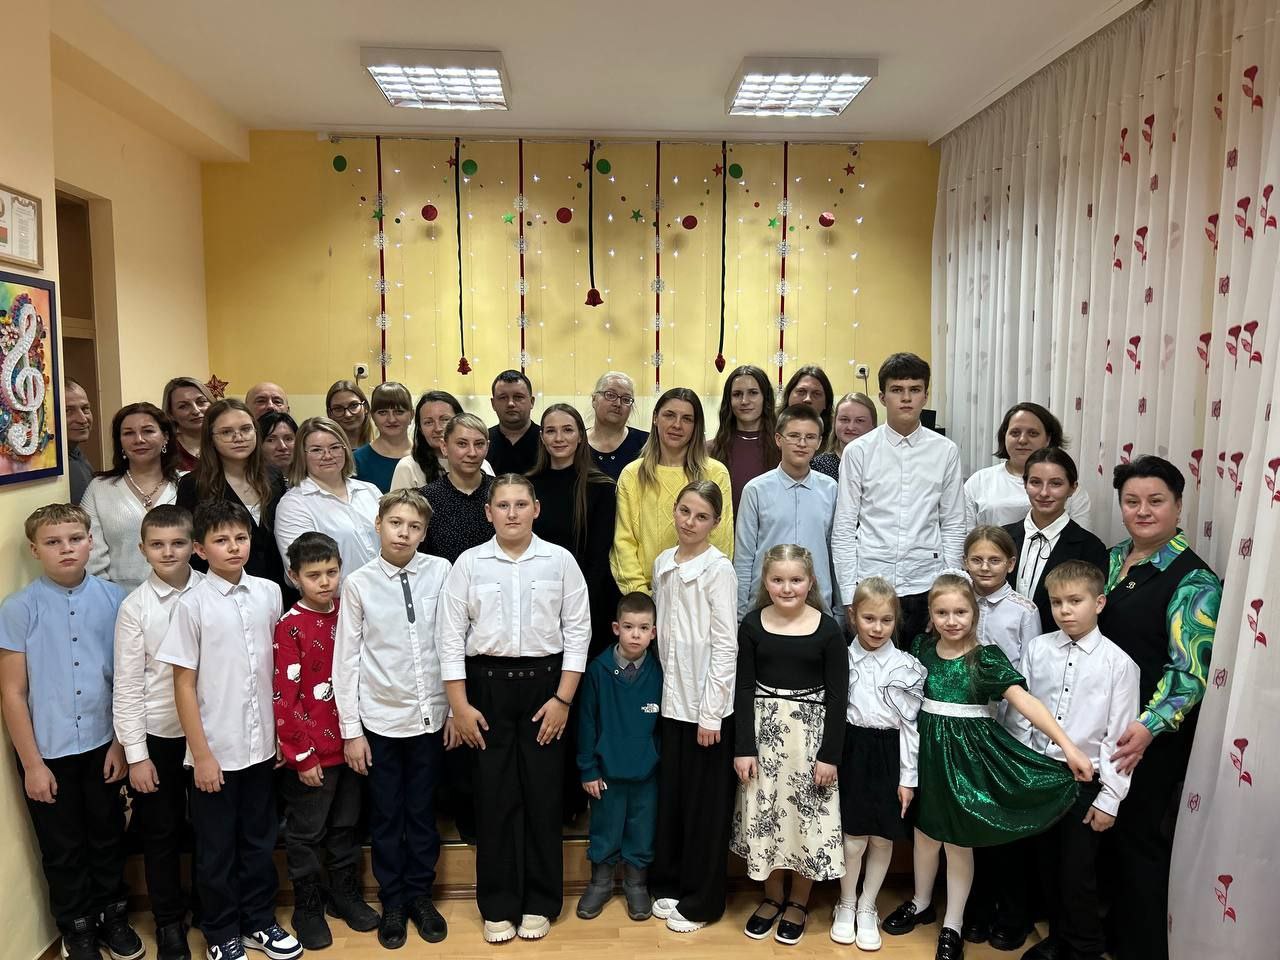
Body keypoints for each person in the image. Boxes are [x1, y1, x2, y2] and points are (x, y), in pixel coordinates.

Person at [881, 572, 1093, 960]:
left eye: (960, 612)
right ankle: (921, 902)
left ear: (974, 614)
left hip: (965, 763)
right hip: (925, 758)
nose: (951, 620)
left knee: (957, 842)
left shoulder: (985, 658)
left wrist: (1068, 747)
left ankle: (953, 924)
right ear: (931, 615)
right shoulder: (922, 648)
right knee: (925, 835)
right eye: (942, 612)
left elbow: (1026, 702)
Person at [439, 474, 591, 944]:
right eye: (502, 505)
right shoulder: (468, 564)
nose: (511, 513)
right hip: (486, 691)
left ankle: (541, 902)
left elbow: (578, 633)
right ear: (488, 513)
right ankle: (499, 904)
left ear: (536, 509)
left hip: (547, 690)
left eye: (520, 504)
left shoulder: (560, 561)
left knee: (544, 797)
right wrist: (459, 706)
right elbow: (448, 638)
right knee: (494, 798)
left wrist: (563, 700)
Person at [158, 499, 302, 960]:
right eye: (221, 540)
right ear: (200, 550)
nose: (234, 547)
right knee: (216, 848)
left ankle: (259, 921)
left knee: (259, 840)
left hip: (261, 746)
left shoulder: (269, 593)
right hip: (215, 751)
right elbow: (183, 685)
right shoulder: (191, 604)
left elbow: (279, 669)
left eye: (240, 538)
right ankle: (221, 931)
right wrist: (201, 754)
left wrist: (281, 736)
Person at [0, 504, 141, 960]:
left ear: (90, 542)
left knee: (107, 836)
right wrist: (32, 765)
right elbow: (12, 693)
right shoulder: (18, 609)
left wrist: (120, 743)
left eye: (75, 539)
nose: (66, 549)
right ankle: (77, 927)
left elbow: (126, 680)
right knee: (62, 847)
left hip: (104, 745)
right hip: (48, 752)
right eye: (53, 542)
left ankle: (113, 916)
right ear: (34, 550)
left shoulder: (115, 600)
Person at [1097, 456, 1221, 960]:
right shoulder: (1112, 559)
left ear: (1178, 505)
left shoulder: (1194, 580)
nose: (1142, 510)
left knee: (1139, 842)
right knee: (1104, 839)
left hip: (1151, 735)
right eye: (1132, 501)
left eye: (1155, 501)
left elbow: (1189, 672)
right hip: (1103, 726)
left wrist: (1148, 727)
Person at [334, 490, 454, 949]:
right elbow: (346, 660)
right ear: (378, 524)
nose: (404, 533)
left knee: (422, 813)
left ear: (424, 533)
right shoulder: (359, 584)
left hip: (430, 718)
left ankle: (420, 895)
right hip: (380, 720)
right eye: (396, 523)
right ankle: (394, 901)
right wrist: (351, 731)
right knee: (386, 815)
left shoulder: (441, 572)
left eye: (414, 527)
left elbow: (452, 642)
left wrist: (453, 708)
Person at [1002, 561, 1140, 960]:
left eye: (1075, 601)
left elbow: (1118, 739)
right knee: (1046, 864)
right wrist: (1022, 772)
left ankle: (1085, 948)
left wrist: (1109, 798)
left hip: (1085, 781)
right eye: (1057, 602)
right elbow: (1022, 716)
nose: (1064, 610)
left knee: (1078, 873)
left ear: (1099, 603)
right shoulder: (1038, 649)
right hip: (1042, 775)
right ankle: (1058, 939)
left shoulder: (1118, 664)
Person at [731, 544, 847, 946]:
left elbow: (838, 697)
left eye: (796, 580)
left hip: (809, 742)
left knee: (804, 819)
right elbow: (743, 688)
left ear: (810, 582)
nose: (787, 588)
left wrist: (830, 755)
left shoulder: (828, 630)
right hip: (764, 739)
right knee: (767, 816)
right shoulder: (752, 625)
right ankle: (771, 897)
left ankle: (798, 901)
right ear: (765, 582)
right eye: (778, 580)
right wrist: (743, 747)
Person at [273, 531, 380, 950]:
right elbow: (285, 697)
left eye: (332, 572)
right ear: (294, 576)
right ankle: (308, 905)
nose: (325, 582)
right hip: (312, 753)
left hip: (351, 745)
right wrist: (301, 754)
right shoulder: (289, 626)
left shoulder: (349, 614)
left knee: (345, 826)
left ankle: (344, 894)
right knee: (306, 832)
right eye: (314, 575)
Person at [113, 504, 202, 960]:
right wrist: (136, 754)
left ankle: (210, 906)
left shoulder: (212, 591)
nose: (168, 552)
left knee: (209, 828)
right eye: (158, 545)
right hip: (159, 736)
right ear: (142, 549)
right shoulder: (135, 608)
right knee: (160, 832)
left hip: (209, 734)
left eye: (178, 543)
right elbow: (128, 685)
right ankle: (168, 921)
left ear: (195, 546)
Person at [649, 481, 738, 933]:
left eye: (701, 516)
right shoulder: (663, 562)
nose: (690, 522)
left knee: (706, 808)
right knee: (674, 799)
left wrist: (711, 712)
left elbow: (725, 645)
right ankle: (670, 882)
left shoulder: (719, 570)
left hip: (706, 710)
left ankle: (703, 901)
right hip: (671, 702)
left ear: (715, 523)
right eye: (685, 511)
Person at [831, 352, 965, 646]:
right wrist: (849, 594)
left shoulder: (945, 451)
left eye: (914, 390)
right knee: (868, 669)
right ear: (882, 397)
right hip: (871, 583)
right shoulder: (859, 451)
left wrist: (949, 591)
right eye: (897, 390)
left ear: (925, 396)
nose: (906, 398)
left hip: (925, 584)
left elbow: (954, 524)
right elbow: (844, 528)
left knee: (922, 669)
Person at [959, 525, 1048, 947]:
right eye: (976, 559)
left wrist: (1022, 736)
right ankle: (976, 908)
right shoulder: (958, 602)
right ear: (964, 562)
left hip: (1008, 731)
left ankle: (1013, 914)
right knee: (975, 823)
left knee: (1009, 827)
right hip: (966, 729)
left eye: (994, 560)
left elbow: (1031, 674)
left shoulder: (1023, 610)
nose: (985, 567)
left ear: (1011, 564)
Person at [831, 576, 926, 952]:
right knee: (853, 838)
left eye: (886, 620)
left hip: (890, 752)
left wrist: (908, 778)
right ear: (853, 616)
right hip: (850, 749)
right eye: (869, 618)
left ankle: (868, 905)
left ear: (896, 620)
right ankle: (846, 902)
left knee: (883, 837)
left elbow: (911, 728)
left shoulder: (907, 666)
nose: (877, 628)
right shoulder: (839, 658)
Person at [574, 592, 662, 923]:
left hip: (646, 773)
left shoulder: (659, 671)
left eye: (643, 628)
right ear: (616, 628)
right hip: (606, 772)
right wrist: (588, 769)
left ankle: (636, 884)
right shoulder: (598, 670)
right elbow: (586, 722)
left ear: (654, 632)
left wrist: (657, 759)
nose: (635, 635)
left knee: (642, 829)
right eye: (628, 627)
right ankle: (600, 882)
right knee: (605, 828)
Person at [610, 387, 734, 595]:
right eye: (669, 415)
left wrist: (694, 590)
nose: (677, 425)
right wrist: (640, 595)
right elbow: (623, 543)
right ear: (655, 418)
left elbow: (721, 539)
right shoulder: (632, 475)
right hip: (645, 597)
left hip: (699, 591)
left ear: (696, 426)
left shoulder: (715, 472)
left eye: (687, 419)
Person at [529, 403, 619, 657]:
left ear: (581, 435)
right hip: (538, 601)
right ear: (542, 437)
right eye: (551, 431)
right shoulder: (528, 486)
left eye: (567, 430)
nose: (559, 438)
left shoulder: (601, 488)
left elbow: (599, 558)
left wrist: (574, 605)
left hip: (587, 602)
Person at [176, 399, 289, 598]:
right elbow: (190, 546)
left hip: (276, 589)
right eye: (227, 432)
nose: (239, 437)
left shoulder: (273, 475)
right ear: (210, 438)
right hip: (222, 593)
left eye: (246, 429)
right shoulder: (194, 484)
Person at [734, 404, 838, 620]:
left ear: (819, 442)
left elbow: (835, 552)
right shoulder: (756, 490)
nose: (802, 443)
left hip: (817, 602)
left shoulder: (831, 489)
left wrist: (839, 612)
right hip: (764, 602)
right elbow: (744, 557)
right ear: (778, 439)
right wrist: (740, 615)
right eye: (794, 436)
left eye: (810, 437)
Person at [1002, 448, 1110, 633]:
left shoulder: (1090, 548)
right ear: (1025, 484)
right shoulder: (1003, 537)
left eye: (1056, 483)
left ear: (1073, 488)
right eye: (1035, 482)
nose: (1044, 492)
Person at [83, 402, 181, 591]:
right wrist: (110, 599)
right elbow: (91, 555)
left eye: (148, 431)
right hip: (118, 599)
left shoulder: (187, 484)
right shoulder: (99, 488)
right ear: (119, 441)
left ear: (165, 437)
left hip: (184, 597)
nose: (139, 439)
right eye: (128, 433)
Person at [274, 417, 381, 573]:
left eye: (335, 447)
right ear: (302, 455)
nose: (328, 456)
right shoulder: (293, 505)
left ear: (345, 449)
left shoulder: (370, 491)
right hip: (338, 589)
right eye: (317, 450)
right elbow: (303, 570)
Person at [964, 402, 1092, 530]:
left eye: (1033, 433)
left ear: (1048, 439)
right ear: (1005, 436)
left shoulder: (1069, 489)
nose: (1022, 440)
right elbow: (963, 535)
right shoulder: (979, 481)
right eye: (1015, 433)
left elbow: (1082, 538)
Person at [419, 413, 495, 563]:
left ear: (487, 447)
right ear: (444, 447)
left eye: (479, 444)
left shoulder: (500, 493)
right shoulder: (426, 499)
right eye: (462, 444)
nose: (472, 453)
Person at [708, 364, 780, 515]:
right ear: (729, 401)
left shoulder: (782, 448)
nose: (744, 401)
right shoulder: (709, 450)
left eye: (753, 393)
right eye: (737, 394)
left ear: (765, 398)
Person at [390, 389, 493, 491]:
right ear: (421, 429)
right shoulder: (408, 467)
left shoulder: (479, 463)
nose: (438, 428)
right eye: (428, 422)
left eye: (445, 419)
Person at [586, 371, 649, 480]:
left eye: (626, 399)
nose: (618, 404)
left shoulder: (647, 444)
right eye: (610, 395)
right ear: (594, 399)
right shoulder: (576, 443)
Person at [353, 381, 414, 493]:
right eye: (383, 412)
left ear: (412, 415)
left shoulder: (427, 456)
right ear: (372, 416)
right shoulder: (357, 461)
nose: (391, 419)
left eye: (399, 412)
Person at [810, 392, 877, 481]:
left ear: (873, 425)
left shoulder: (882, 463)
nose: (851, 427)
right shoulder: (818, 466)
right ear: (834, 422)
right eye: (844, 419)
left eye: (860, 421)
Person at [487, 369, 541, 474]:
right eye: (503, 398)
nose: (510, 403)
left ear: (532, 402)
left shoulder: (547, 441)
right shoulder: (481, 442)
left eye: (518, 397)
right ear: (493, 404)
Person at [162, 376, 213, 473]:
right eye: (183, 406)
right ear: (171, 414)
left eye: (201, 402)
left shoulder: (227, 442)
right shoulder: (166, 450)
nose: (196, 411)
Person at [780, 364, 836, 450]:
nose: (808, 399)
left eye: (816, 394)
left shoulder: (835, 438)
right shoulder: (770, 427)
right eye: (801, 391)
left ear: (826, 403)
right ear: (788, 395)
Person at [66, 378, 96, 504]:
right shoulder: (57, 465)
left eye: (85, 409)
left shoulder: (76, 453)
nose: (83, 419)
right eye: (68, 411)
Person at [326, 379, 373, 452]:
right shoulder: (326, 454)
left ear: (365, 407)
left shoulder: (381, 451)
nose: (348, 414)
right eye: (338, 408)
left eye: (354, 405)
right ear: (330, 414)